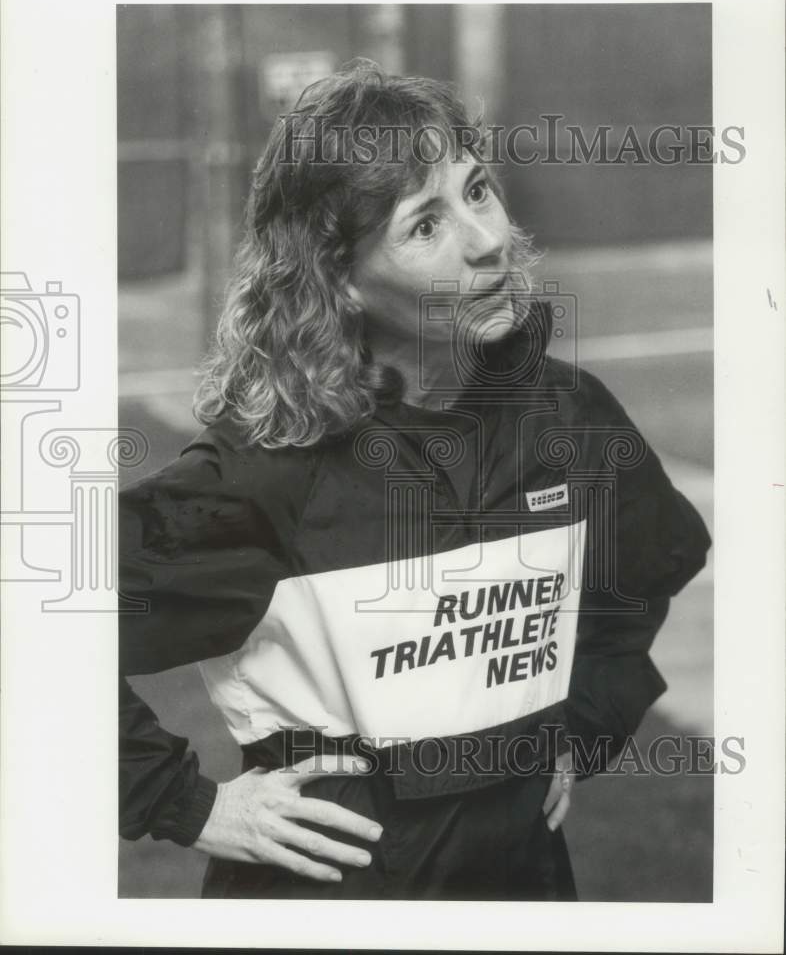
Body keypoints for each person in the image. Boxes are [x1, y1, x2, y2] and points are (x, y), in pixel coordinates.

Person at [119, 61, 711, 900]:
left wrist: (584, 722)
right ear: (339, 281)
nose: (486, 239)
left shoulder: (568, 417)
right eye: (424, 225)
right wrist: (188, 803)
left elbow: (646, 572)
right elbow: (38, 631)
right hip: (333, 898)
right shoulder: (266, 472)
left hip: (527, 888)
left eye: (477, 191)